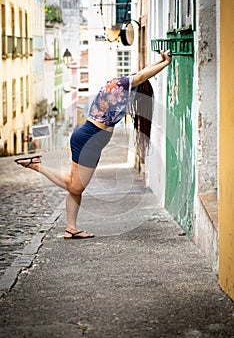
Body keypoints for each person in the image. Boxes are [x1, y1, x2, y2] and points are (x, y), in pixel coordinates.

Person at [15, 50, 172, 240]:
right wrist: (166, 64)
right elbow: (141, 76)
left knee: (75, 185)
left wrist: (160, 60)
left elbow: (142, 73)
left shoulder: (119, 84)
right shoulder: (123, 85)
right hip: (90, 139)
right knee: (76, 187)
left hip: (87, 137)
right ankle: (37, 165)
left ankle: (70, 228)